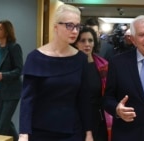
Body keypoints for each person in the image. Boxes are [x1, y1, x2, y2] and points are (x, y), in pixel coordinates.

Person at [18, 4, 93, 141]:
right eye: (69, 25)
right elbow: (27, 99)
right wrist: (23, 133)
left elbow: (84, 99)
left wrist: (88, 133)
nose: (75, 31)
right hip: (40, 130)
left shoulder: (81, 59)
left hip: (72, 131)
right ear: (56, 27)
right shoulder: (35, 58)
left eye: (77, 26)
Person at [72, 26, 110, 141]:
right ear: (76, 43)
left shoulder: (103, 65)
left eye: (90, 40)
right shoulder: (70, 66)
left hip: (98, 118)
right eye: (82, 40)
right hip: (76, 118)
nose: (87, 44)